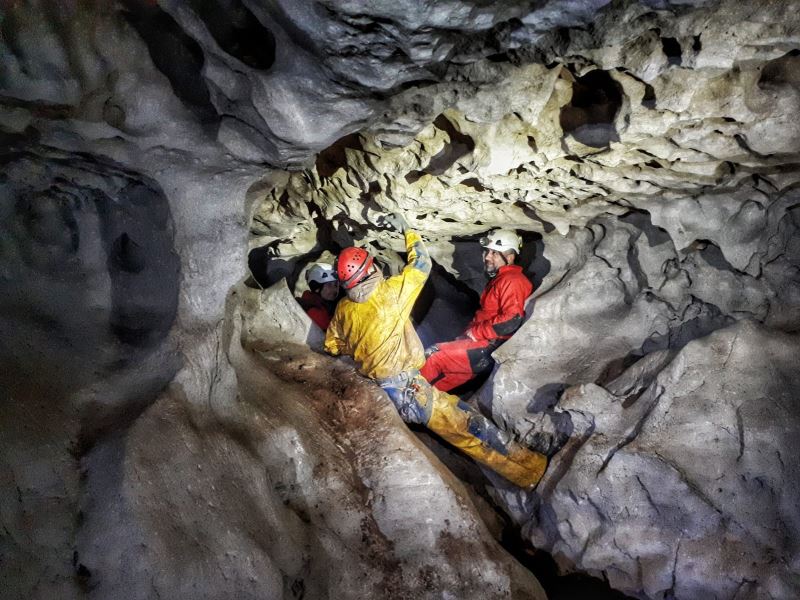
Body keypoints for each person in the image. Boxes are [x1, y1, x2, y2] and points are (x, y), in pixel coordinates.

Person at [324, 215, 547, 488]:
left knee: (440, 371)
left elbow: (332, 345)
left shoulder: (343, 310)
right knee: (468, 429)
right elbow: (420, 263)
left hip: (383, 391)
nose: (487, 257)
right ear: (370, 270)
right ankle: (531, 471)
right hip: (411, 390)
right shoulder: (390, 293)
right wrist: (408, 230)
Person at [421, 229, 532, 393]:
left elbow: (512, 319)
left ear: (510, 257)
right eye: (488, 251)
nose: (488, 257)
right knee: (436, 388)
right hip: (481, 347)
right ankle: (417, 410)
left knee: (432, 356)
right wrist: (466, 335)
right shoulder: (500, 280)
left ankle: (403, 396)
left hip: (486, 347)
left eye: (494, 253)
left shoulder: (513, 280)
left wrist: (476, 333)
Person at [298, 263, 339, 330]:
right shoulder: (313, 311)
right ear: (317, 288)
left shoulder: (322, 303)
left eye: (336, 285)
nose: (334, 289)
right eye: (329, 285)